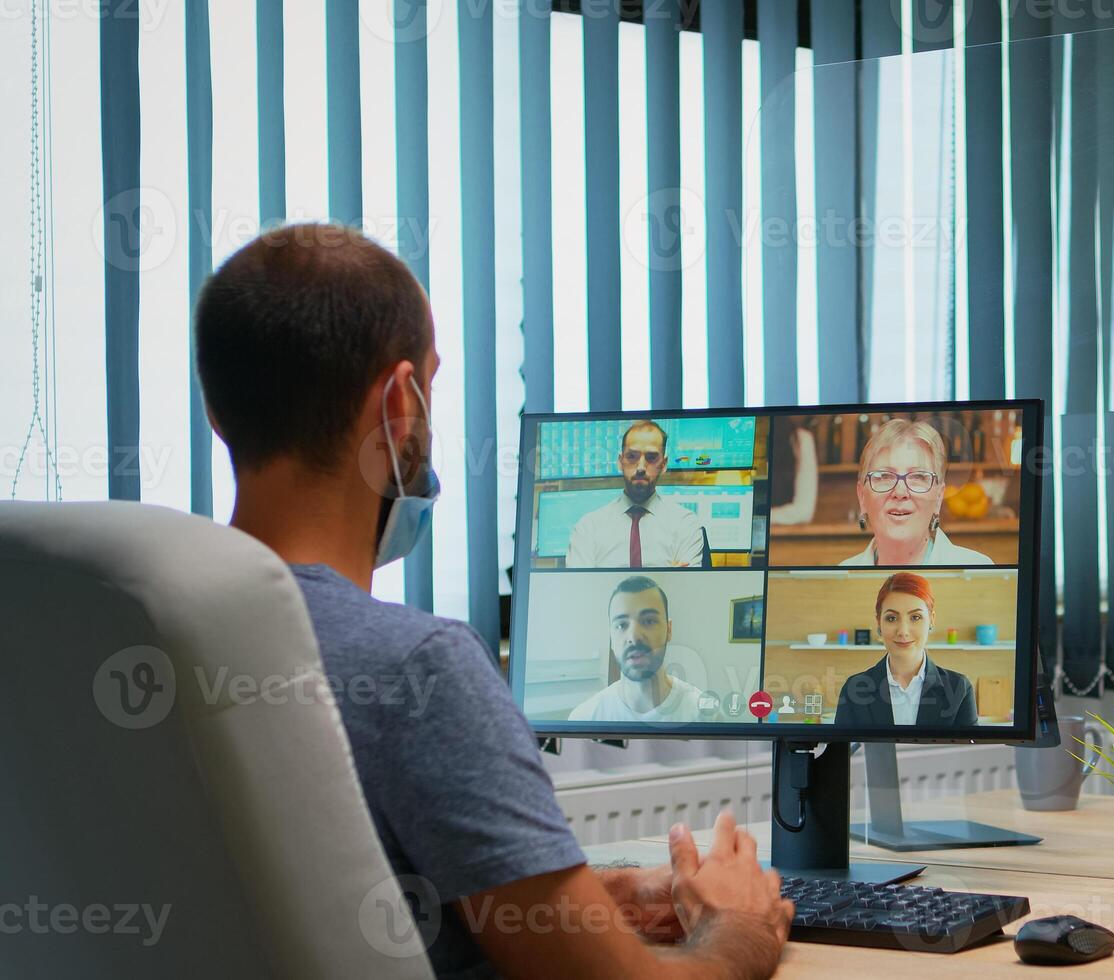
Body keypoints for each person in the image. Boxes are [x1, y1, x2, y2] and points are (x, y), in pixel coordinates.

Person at [196, 223, 790, 978]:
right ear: (401, 406)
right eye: (433, 385)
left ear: (219, 414)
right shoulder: (418, 668)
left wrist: (585, 904)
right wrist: (740, 925)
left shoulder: (148, 634)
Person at [832, 572, 979, 727]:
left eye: (915, 617)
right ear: (878, 622)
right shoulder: (854, 688)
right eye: (891, 618)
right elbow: (843, 751)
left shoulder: (959, 688)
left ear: (931, 620)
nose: (903, 631)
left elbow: (969, 751)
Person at [841, 419, 994, 566]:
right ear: (862, 496)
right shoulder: (839, 580)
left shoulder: (979, 569)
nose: (900, 492)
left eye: (918, 477)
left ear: (939, 497)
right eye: (884, 476)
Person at [566, 420, 706, 568]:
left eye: (651, 458)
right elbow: (579, 589)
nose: (640, 467)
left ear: (663, 465)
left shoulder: (685, 524)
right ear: (620, 462)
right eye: (632, 456)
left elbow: (686, 588)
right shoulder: (588, 528)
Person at [570, 576, 704, 723]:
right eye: (621, 625)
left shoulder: (704, 715)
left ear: (669, 630)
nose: (634, 637)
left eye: (649, 621)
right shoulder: (585, 719)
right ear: (611, 638)